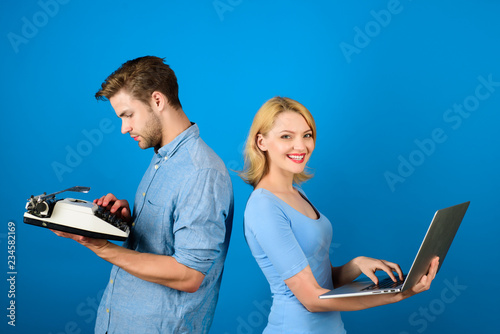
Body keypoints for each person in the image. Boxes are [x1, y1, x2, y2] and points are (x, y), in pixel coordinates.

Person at [52, 56, 234, 334]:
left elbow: (189, 275)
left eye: (128, 115)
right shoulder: (163, 157)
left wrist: (101, 246)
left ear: (157, 101)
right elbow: (163, 241)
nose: (124, 128)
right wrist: (126, 224)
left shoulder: (202, 172)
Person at [240, 96, 439, 333]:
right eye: (286, 136)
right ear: (261, 142)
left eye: (307, 135)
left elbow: (323, 280)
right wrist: (398, 295)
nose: (301, 146)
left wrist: (356, 265)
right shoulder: (264, 206)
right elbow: (312, 299)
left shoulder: (298, 193)